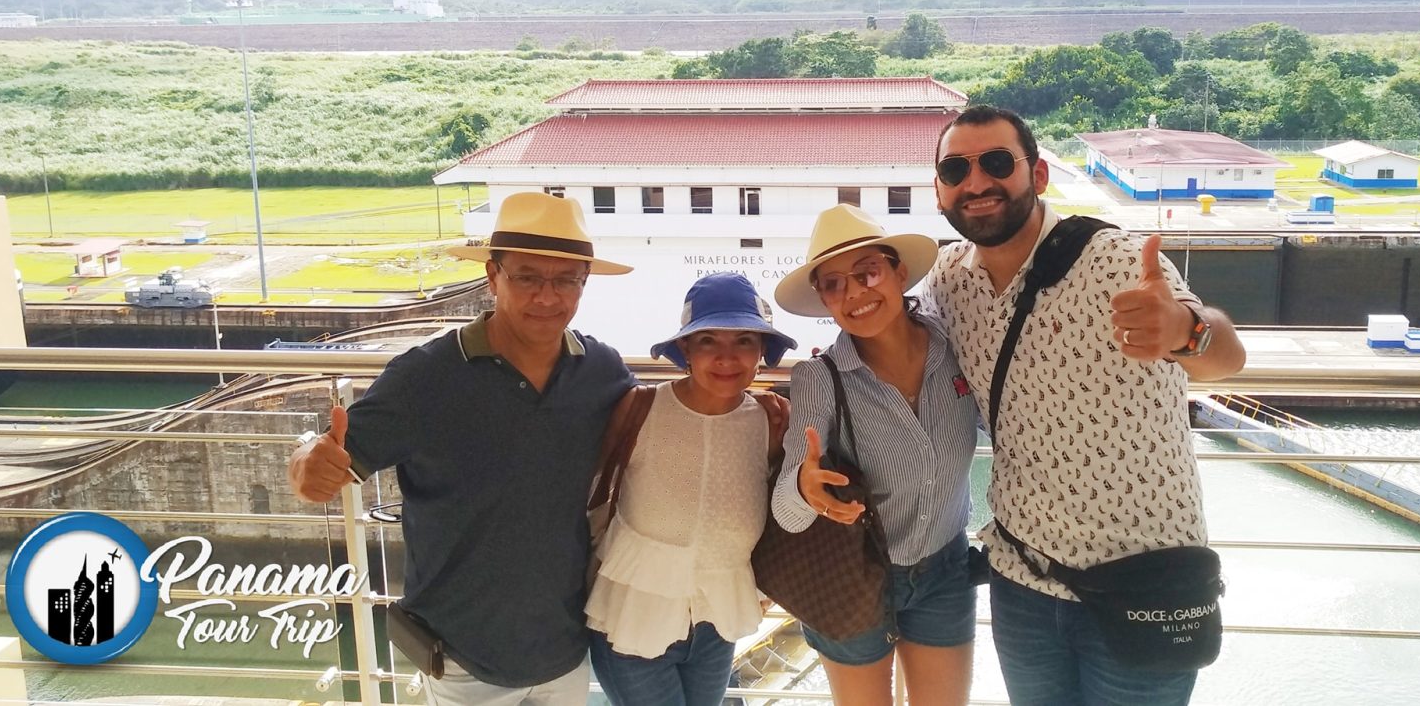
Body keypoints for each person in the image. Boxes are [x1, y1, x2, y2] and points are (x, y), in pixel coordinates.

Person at [920, 106, 1246, 706]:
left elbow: (1226, 357)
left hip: (1145, 577)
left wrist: (1183, 330)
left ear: (1038, 176)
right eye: (954, 169)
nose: (976, 183)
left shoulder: (1116, 261)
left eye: (997, 163)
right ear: (938, 188)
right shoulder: (947, 281)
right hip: (1023, 577)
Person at [287, 192, 636, 706]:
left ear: (584, 284)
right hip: (462, 658)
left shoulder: (601, 372)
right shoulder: (425, 377)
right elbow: (322, 461)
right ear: (493, 277)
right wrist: (306, 466)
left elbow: (657, 432)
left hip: (564, 648)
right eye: (527, 277)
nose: (547, 296)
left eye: (565, 280)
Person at [772, 205, 981, 706]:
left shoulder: (956, 345)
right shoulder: (820, 380)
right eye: (833, 284)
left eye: (868, 271)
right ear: (823, 299)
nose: (855, 294)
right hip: (854, 575)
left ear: (898, 272)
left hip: (945, 569)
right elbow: (785, 510)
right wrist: (805, 487)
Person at [585, 272, 796, 706]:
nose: (726, 357)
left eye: (743, 342)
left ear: (761, 352)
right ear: (685, 348)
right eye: (708, 342)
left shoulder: (769, 418)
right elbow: (590, 487)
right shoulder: (641, 407)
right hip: (635, 619)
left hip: (716, 622)